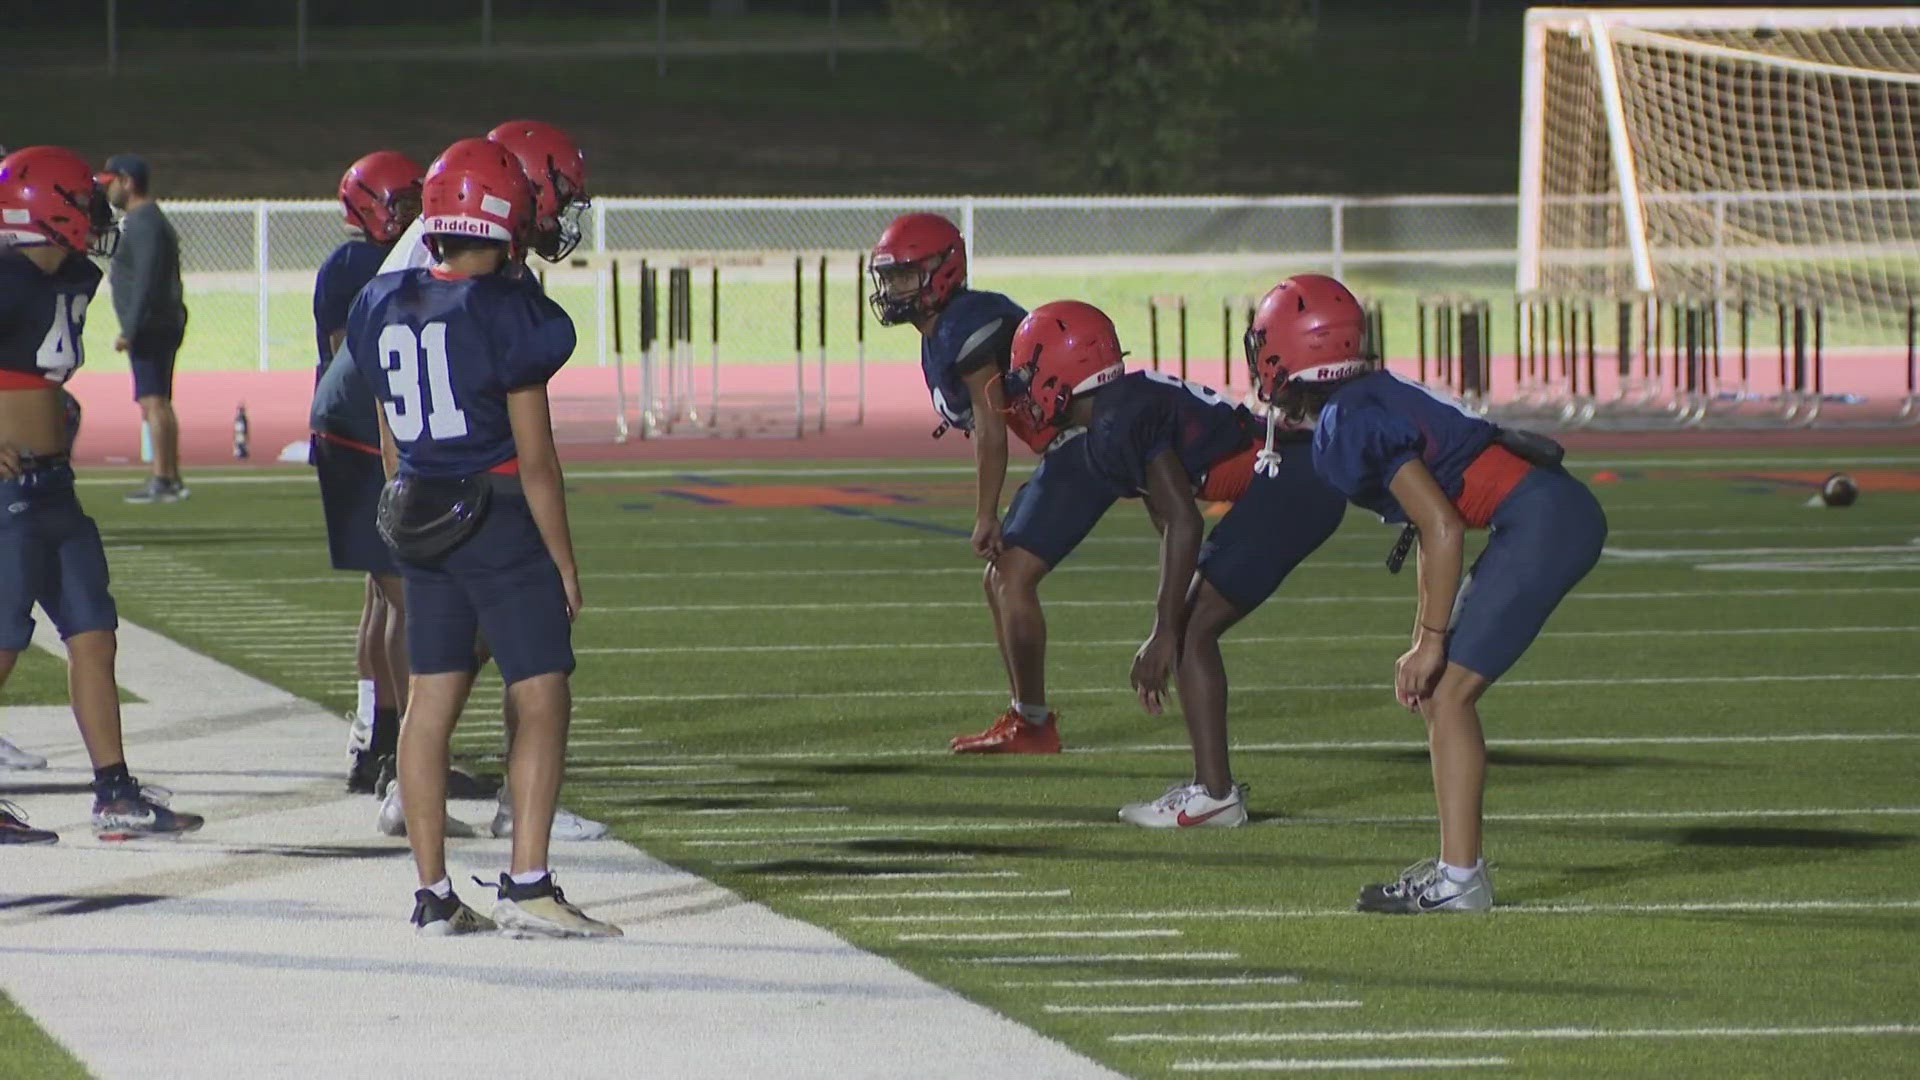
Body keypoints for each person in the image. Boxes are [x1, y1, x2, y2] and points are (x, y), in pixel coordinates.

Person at [1247, 273, 1608, 913]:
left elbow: (1442, 525)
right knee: (1441, 694)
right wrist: (1422, 639)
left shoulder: (1347, 419)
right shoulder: (1364, 397)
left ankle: (1460, 880)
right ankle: (1456, 874)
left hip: (1543, 520)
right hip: (1538, 513)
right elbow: (1430, 521)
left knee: (1448, 696)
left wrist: (1432, 642)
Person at [347, 137, 615, 937]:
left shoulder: (382, 301)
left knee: (429, 706)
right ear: (500, 216)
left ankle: (431, 894)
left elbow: (392, 436)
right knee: (541, 695)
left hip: (421, 514)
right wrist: (563, 560)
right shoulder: (509, 311)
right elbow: (537, 461)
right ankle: (528, 884)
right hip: (496, 514)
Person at [1000, 301, 1346, 826]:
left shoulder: (1117, 417)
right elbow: (1170, 515)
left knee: (1188, 632)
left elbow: (1185, 522)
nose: (1025, 390)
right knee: (1189, 626)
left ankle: (1215, 795)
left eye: (1030, 375)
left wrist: (1162, 631)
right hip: (1289, 480)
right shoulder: (1115, 412)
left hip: (1292, 485)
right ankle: (1212, 789)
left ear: (1063, 373)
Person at [0, 145, 204, 844]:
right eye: (80, 201)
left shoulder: (76, 273)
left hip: (55, 486)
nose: (92, 213)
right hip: (7, 491)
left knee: (94, 633)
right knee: (1, 643)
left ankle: (114, 791)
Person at [869, 212, 1078, 753]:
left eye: (904, 276)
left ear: (943, 270)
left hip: (1085, 443)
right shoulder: (938, 334)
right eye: (888, 278)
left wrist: (986, 513)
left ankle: (1033, 724)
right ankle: (1025, 716)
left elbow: (990, 430)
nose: (893, 290)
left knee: (1008, 577)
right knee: (998, 578)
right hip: (1063, 447)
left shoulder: (970, 323)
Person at [311, 150, 424, 794]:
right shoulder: (355, 263)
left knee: (381, 598)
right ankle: (406, 748)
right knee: (408, 598)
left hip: (346, 429)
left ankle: (375, 735)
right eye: (397, 201)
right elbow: (357, 352)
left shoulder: (368, 258)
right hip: (361, 431)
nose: (407, 213)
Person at [97, 153, 189, 504]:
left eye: (112, 183)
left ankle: (164, 477)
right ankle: (169, 475)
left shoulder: (144, 222)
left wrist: (130, 329)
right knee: (156, 401)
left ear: (127, 181)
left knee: (154, 402)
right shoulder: (145, 221)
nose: (109, 191)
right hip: (156, 322)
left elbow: (148, 280)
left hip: (152, 325)